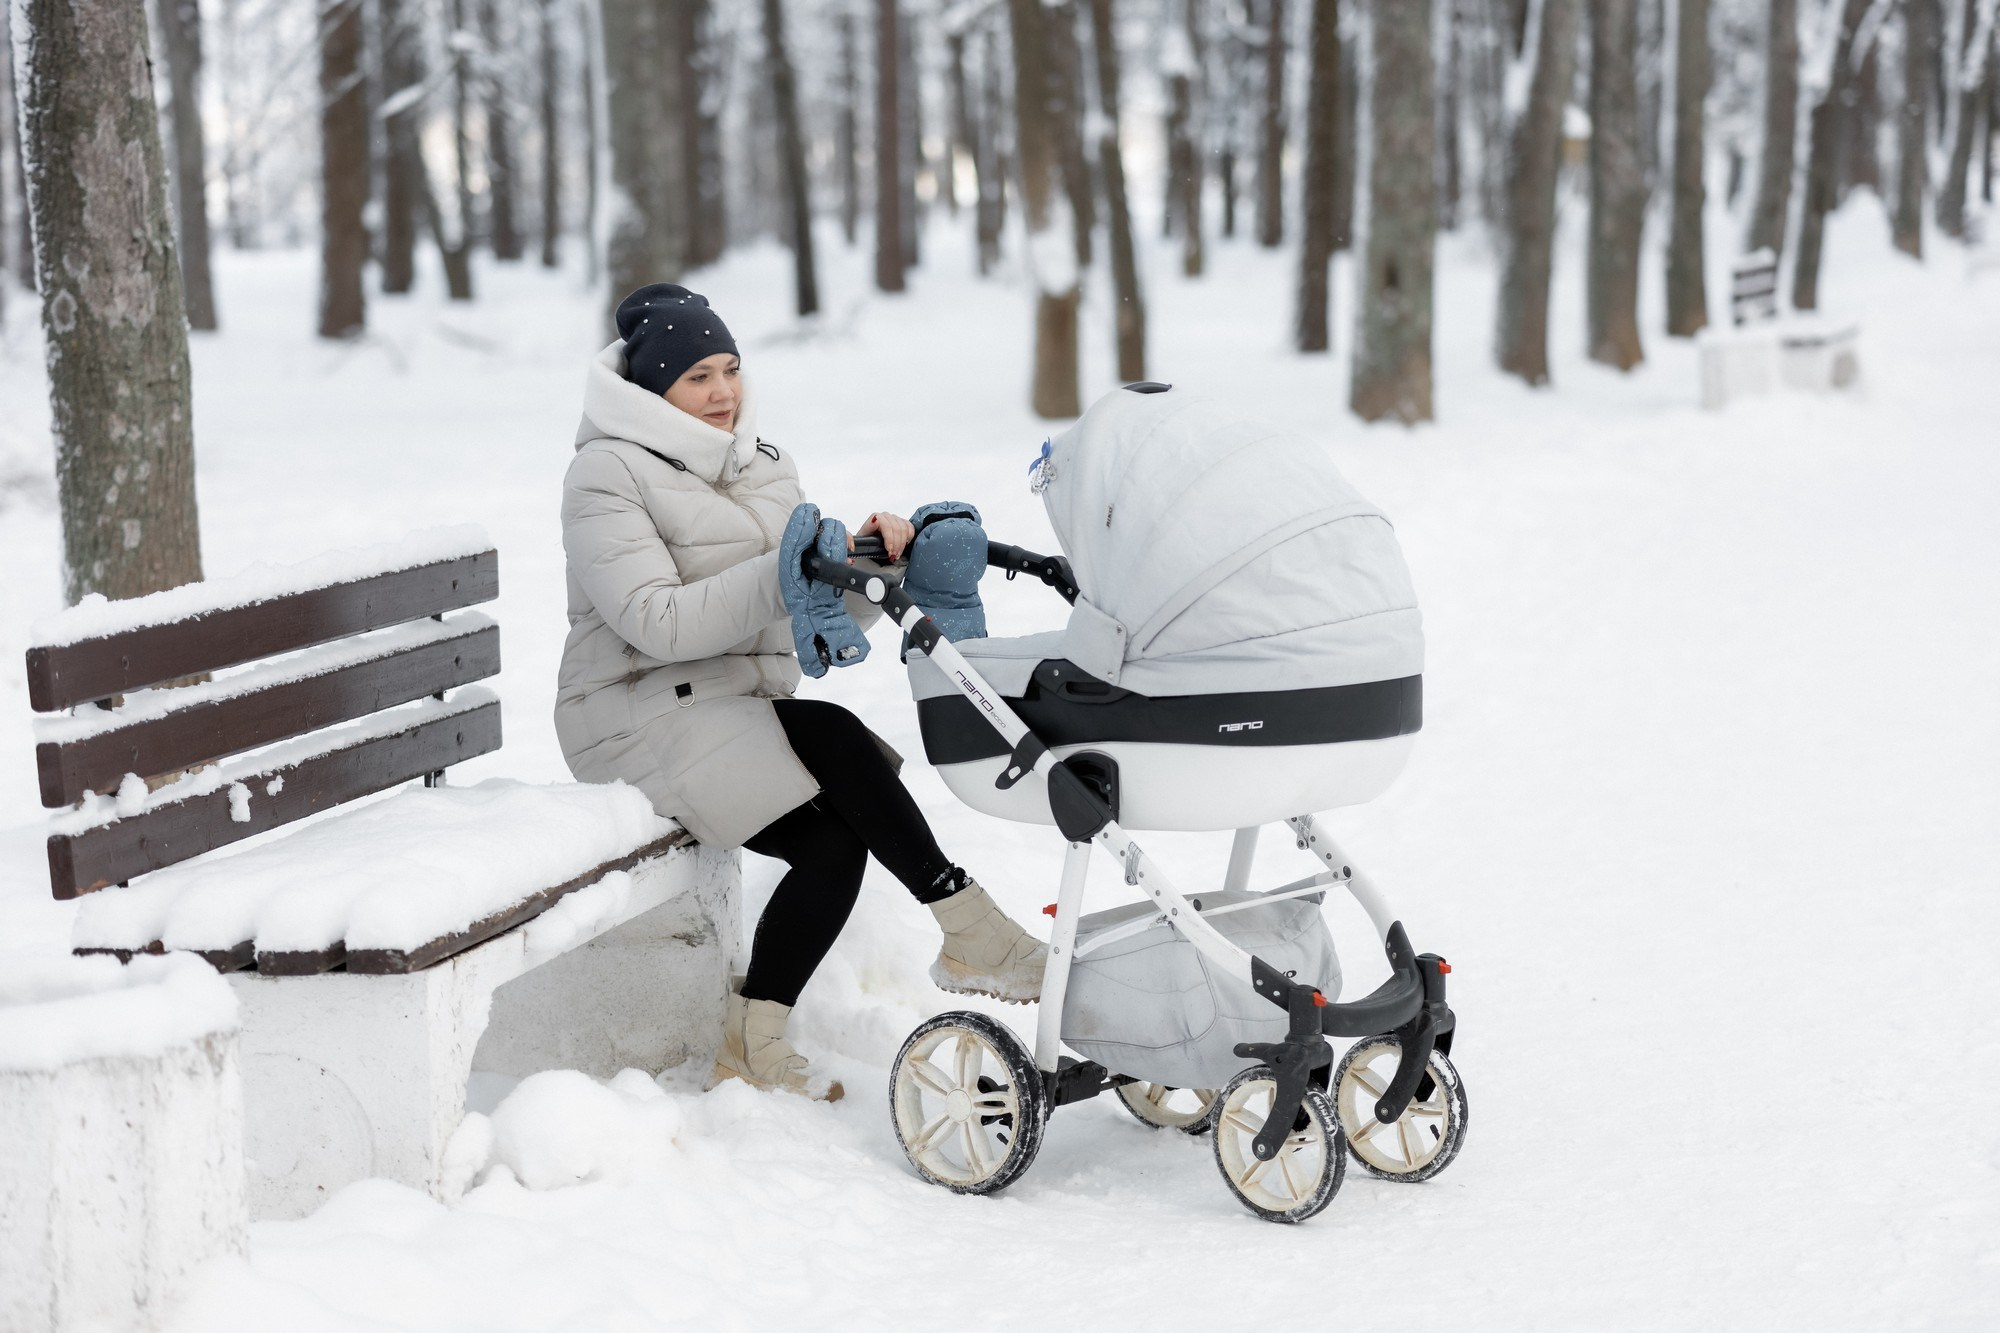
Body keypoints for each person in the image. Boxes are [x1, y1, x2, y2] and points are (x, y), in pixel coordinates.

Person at [555, 283, 1047, 1103]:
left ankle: (753, 1035)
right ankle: (969, 926)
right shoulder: (603, 476)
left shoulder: (765, 464)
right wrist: (786, 570)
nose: (723, 393)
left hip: (731, 707)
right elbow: (656, 622)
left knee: (833, 840)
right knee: (834, 734)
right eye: (698, 378)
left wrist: (876, 565)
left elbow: (796, 605)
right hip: (632, 713)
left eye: (730, 370)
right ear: (653, 391)